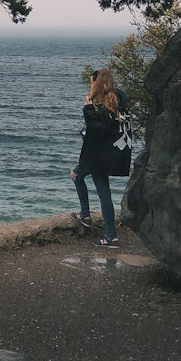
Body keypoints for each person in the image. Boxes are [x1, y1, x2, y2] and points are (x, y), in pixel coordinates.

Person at [70, 67, 127, 247]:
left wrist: (87, 110)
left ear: (97, 83)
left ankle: (109, 235)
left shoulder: (103, 106)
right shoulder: (116, 100)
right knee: (80, 178)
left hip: (97, 155)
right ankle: (87, 216)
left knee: (97, 189)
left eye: (91, 81)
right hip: (105, 154)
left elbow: (98, 130)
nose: (89, 85)